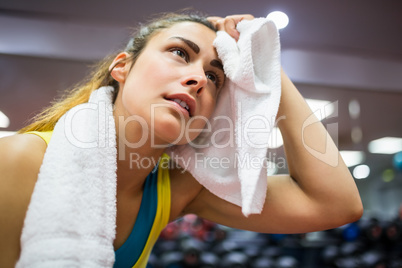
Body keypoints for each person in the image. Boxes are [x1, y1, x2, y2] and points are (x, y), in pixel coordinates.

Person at [0, 12, 363, 267]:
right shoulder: (18, 161)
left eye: (214, 76)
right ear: (122, 67)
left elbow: (336, 205)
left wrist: (264, 62)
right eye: (179, 53)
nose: (199, 79)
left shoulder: (176, 189)